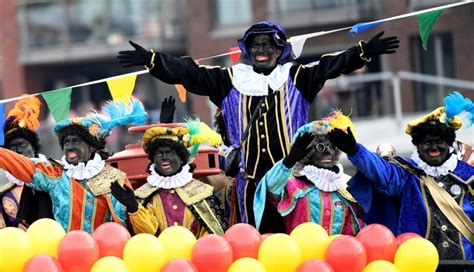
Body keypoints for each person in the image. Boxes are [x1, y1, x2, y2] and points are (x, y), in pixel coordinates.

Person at [117, 21, 400, 232]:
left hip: (294, 180)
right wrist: (152, 60)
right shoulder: (229, 79)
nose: (261, 50)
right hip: (248, 182)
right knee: (253, 240)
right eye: (255, 45)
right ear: (248, 50)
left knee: (296, 237)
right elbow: (189, 73)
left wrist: (363, 52)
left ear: (279, 49)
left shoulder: (297, 76)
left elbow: (331, 65)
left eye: (267, 45)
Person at [329, 91, 473, 260]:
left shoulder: (468, 176)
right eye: (427, 142)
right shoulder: (406, 172)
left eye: (439, 142)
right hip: (418, 265)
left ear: (448, 144)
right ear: (418, 146)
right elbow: (381, 171)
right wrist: (355, 150)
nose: (434, 147)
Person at [0, 98, 147, 233]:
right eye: (66, 142)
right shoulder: (54, 173)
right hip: (66, 255)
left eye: (76, 141)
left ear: (91, 147)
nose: (69, 147)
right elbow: (20, 163)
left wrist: (134, 208)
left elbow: (143, 231)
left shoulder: (115, 178)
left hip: (105, 255)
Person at [110, 120, 228, 237]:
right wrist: (134, 208)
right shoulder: (143, 195)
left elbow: (212, 234)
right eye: (159, 154)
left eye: (170, 153)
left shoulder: (202, 192)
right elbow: (147, 236)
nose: (164, 158)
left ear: (181, 158)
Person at [254, 112, 364, 234]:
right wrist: (290, 160)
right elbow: (269, 188)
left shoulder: (348, 185)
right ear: (307, 151)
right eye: (320, 147)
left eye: (332, 147)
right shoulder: (291, 183)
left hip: (339, 252)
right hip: (299, 252)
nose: (328, 152)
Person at [0, 96, 53, 228]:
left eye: (23, 145)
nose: (18, 151)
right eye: (13, 148)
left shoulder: (54, 178)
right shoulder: (4, 193)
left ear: (33, 148)